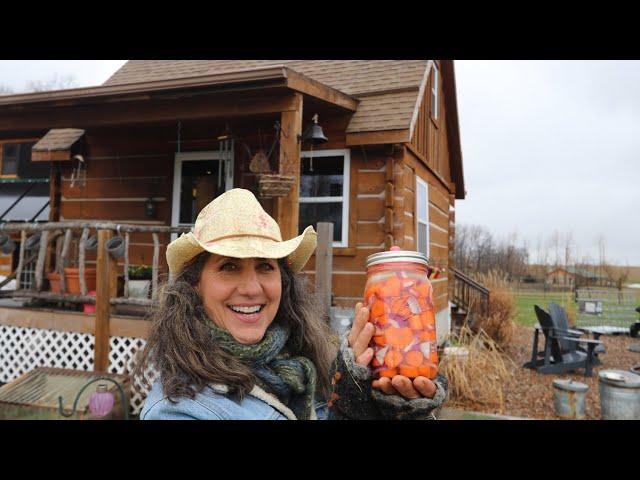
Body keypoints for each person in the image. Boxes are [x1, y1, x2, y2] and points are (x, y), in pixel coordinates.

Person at [134, 188, 448, 420]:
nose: (251, 288)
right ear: (194, 286)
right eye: (229, 266)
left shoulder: (302, 368)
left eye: (265, 266)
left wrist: (382, 408)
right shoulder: (179, 412)